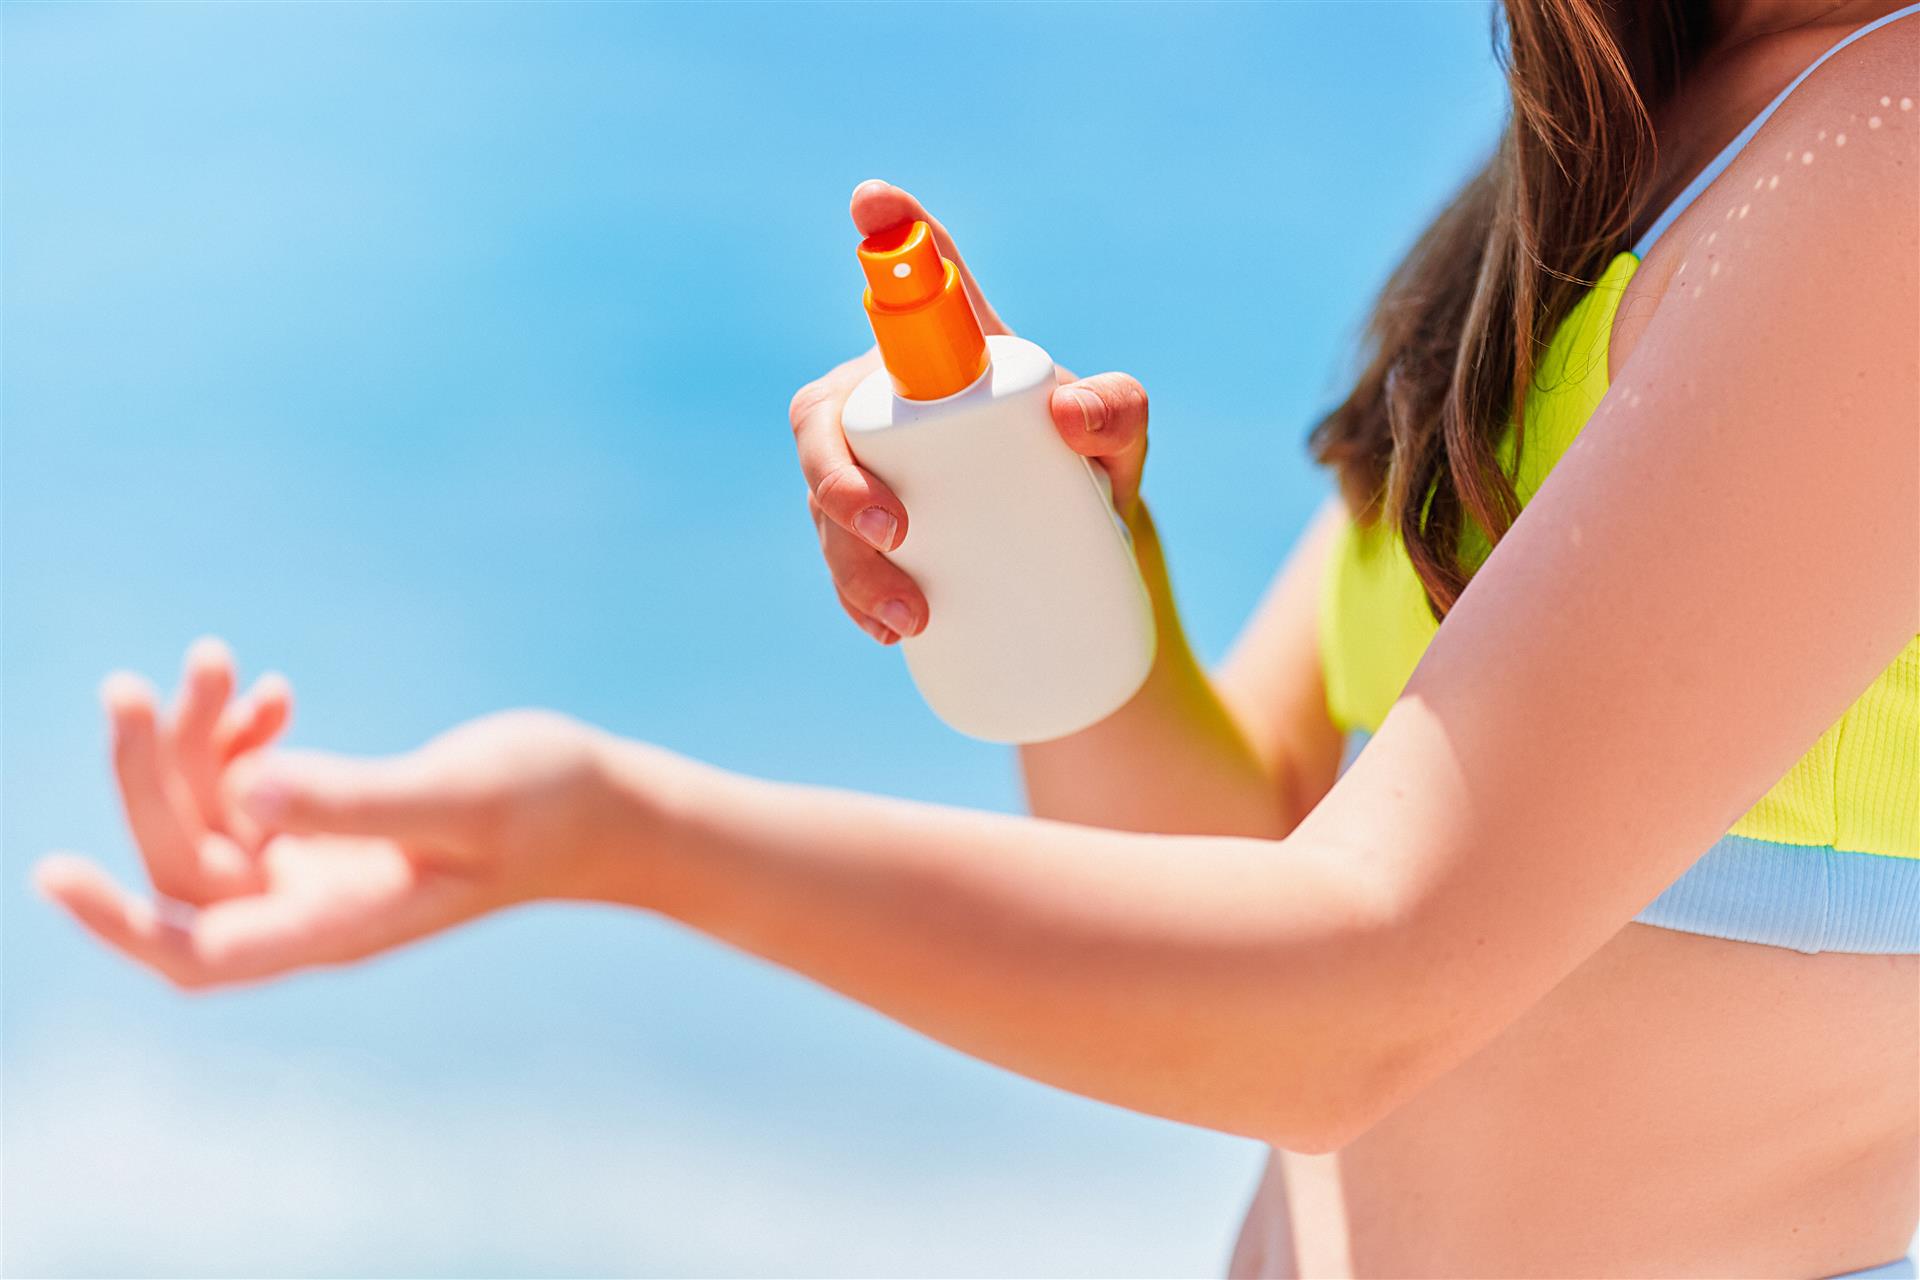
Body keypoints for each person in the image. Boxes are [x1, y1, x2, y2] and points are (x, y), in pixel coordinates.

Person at [36, 1, 1919, 1274]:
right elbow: (1225, 868)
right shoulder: (1603, 165)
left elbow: (1360, 998)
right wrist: (1058, 569)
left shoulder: (1887, 160)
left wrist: (617, 833)